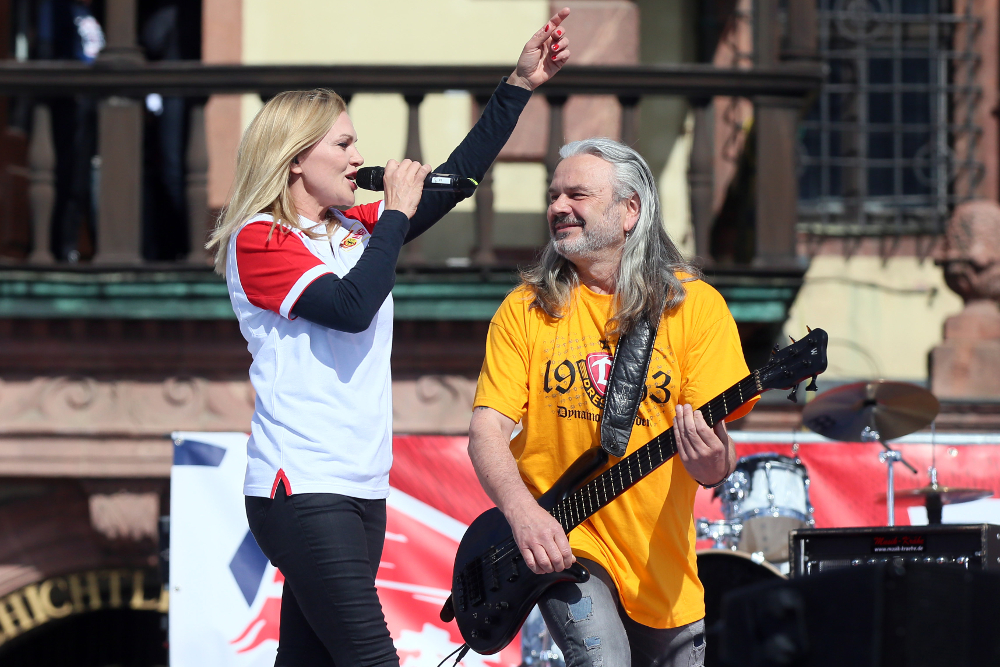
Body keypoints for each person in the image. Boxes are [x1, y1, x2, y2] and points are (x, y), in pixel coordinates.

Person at [205, 9, 571, 667]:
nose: (357, 156)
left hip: (362, 483)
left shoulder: (351, 227)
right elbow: (350, 306)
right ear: (295, 161)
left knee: (310, 660)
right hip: (302, 487)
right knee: (375, 659)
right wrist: (396, 215)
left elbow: (455, 183)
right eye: (342, 144)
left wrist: (518, 84)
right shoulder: (260, 237)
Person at [468, 138, 758, 667]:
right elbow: (487, 430)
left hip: (662, 570)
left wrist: (712, 462)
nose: (557, 207)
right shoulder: (526, 310)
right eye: (553, 195)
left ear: (631, 211)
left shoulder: (693, 308)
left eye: (576, 194)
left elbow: (718, 456)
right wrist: (523, 513)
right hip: (566, 543)